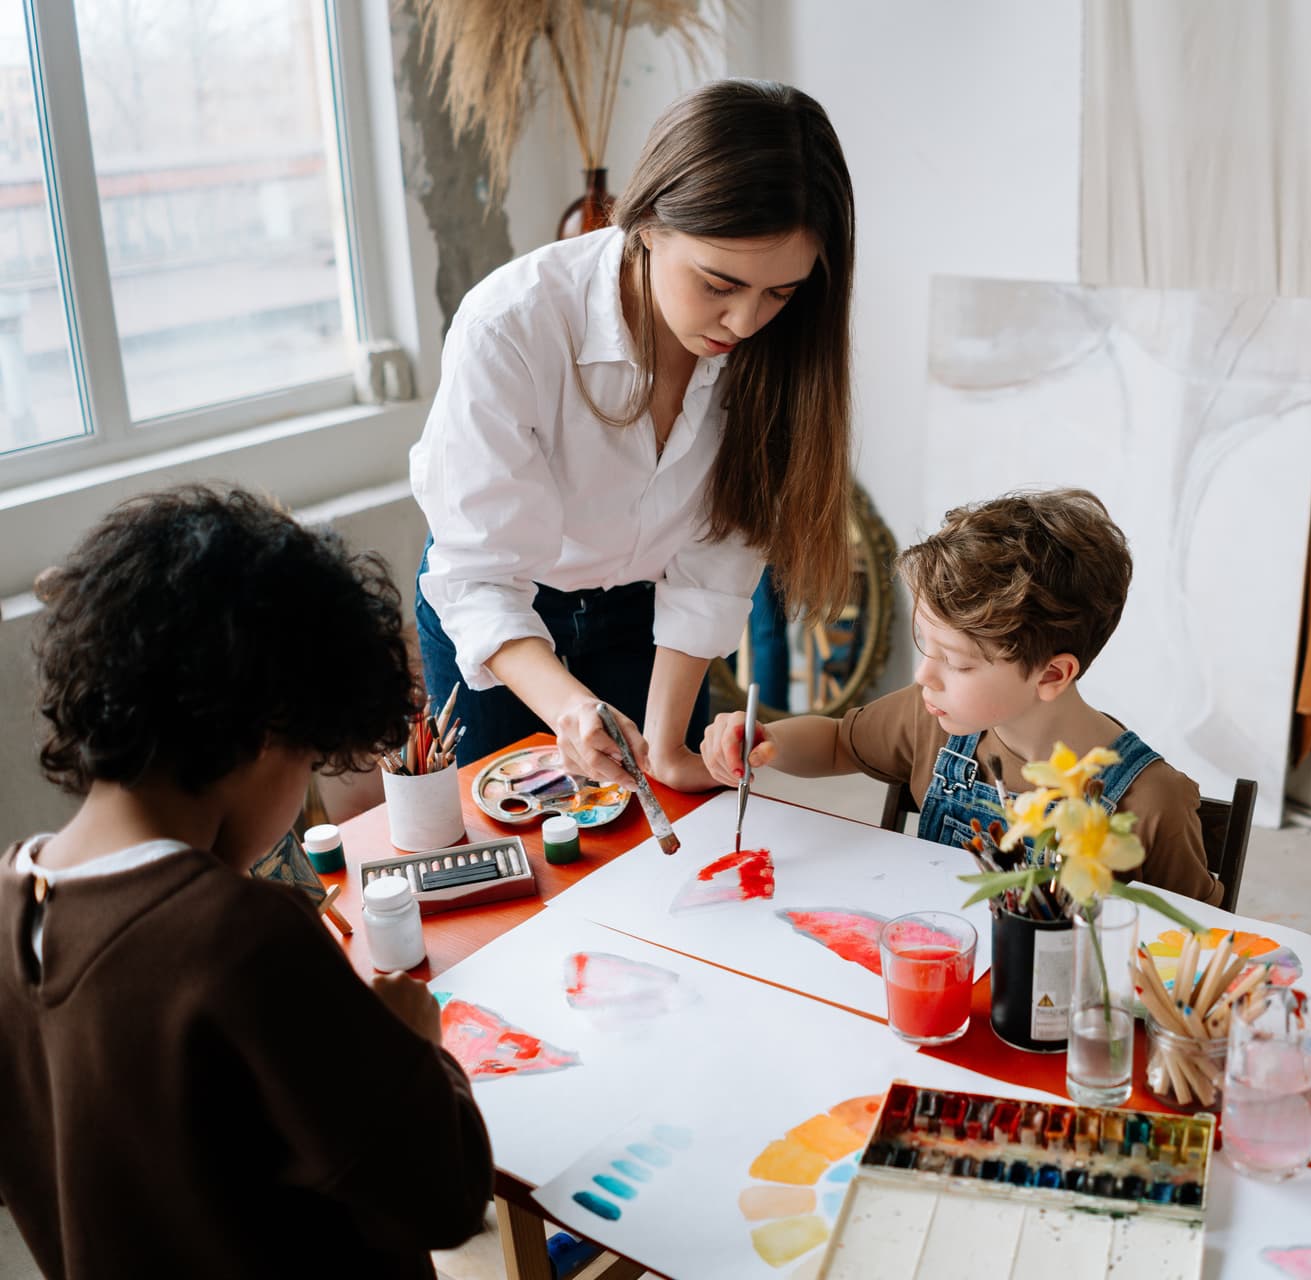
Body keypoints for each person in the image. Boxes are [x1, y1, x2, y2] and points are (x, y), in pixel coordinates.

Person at [0, 485, 492, 1277]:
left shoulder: (10, 901)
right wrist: (412, 1042)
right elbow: (445, 1193)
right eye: (308, 762)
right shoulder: (236, 937)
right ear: (270, 734)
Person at [411, 78, 856, 791]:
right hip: (506, 618)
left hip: (646, 615)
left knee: (660, 835)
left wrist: (671, 747)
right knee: (524, 863)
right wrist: (570, 709)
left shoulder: (781, 353)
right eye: (718, 284)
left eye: (779, 293)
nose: (744, 324)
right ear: (645, 222)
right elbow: (481, 578)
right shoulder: (512, 326)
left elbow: (721, 551)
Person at [701, 488, 1224, 906]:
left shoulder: (1150, 803)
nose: (926, 674)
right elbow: (839, 742)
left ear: (1052, 674)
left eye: (958, 662)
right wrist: (766, 742)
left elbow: (1190, 946)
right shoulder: (931, 718)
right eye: (925, 644)